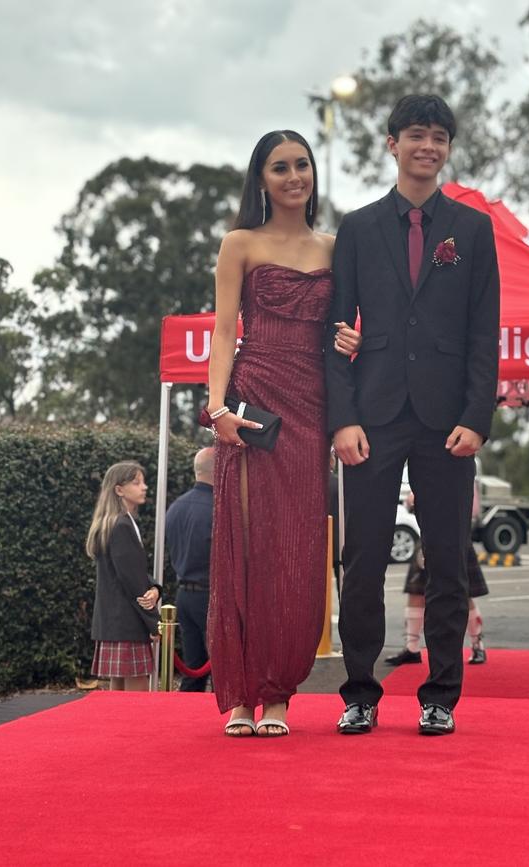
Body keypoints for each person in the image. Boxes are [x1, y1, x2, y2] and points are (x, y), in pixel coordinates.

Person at [325, 94, 500, 735]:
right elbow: (336, 328)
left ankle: (440, 696)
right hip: (371, 418)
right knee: (363, 561)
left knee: (449, 562)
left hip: (447, 421)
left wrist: (478, 416)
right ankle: (361, 693)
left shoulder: (471, 230)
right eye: (416, 135)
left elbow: (486, 333)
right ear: (392, 143)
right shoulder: (359, 227)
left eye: (439, 137)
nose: (428, 146)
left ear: (448, 148)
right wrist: (341, 419)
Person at [205, 130, 361, 737]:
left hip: (311, 403)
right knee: (245, 541)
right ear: (261, 179)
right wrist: (217, 410)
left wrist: (349, 341)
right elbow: (223, 332)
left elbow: (342, 331)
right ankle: (241, 693)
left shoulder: (334, 247)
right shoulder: (239, 243)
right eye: (280, 167)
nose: (294, 176)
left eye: (302, 165)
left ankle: (278, 695)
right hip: (253, 395)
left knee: (296, 549)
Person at [386, 490, 489, 666]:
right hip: (429, 534)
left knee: (464, 593)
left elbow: (471, 508)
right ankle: (412, 649)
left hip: (455, 536)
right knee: (416, 591)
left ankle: (477, 645)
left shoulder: (461, 468)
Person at [87, 462, 161, 691]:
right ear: (119, 490)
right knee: (135, 699)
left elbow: (132, 572)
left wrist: (155, 586)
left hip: (114, 622)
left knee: (117, 697)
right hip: (128, 622)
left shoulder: (111, 523)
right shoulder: (121, 525)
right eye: (136, 482)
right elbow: (133, 582)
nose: (145, 487)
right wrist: (153, 622)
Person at [165, 447, 215, 692]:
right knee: (221, 669)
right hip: (211, 595)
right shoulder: (219, 508)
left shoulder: (176, 507)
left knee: (193, 667)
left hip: (184, 594)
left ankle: (185, 719)